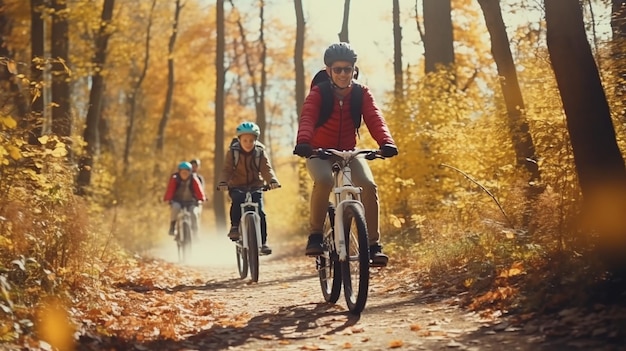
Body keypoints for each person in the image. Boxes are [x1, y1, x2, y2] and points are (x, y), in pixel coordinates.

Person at [293, 42, 399, 267]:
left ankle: (373, 245)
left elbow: (375, 118)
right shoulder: (319, 93)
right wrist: (303, 142)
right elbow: (308, 118)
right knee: (323, 180)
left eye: (347, 69)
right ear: (328, 71)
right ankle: (315, 236)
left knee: (368, 186)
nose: (343, 74)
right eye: (338, 69)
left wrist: (386, 142)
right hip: (318, 152)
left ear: (354, 70)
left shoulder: (361, 93)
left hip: (349, 153)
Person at [217, 121, 281, 255]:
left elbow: (266, 169)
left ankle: (263, 243)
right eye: (245, 140)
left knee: (261, 213)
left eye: (251, 140)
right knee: (237, 201)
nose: (248, 143)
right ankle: (235, 227)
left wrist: (272, 180)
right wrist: (223, 182)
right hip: (237, 185)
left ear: (255, 140)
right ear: (239, 140)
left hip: (255, 185)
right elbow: (227, 170)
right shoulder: (233, 153)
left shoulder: (260, 152)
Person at [163, 161, 207, 238]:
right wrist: (168, 199)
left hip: (191, 202)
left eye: (186, 173)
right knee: (175, 208)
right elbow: (170, 190)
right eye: (182, 172)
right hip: (178, 201)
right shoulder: (175, 179)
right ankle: (172, 226)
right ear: (179, 172)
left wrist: (201, 198)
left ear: (189, 172)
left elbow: (198, 190)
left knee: (193, 213)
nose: (184, 174)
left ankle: (195, 232)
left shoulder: (193, 179)